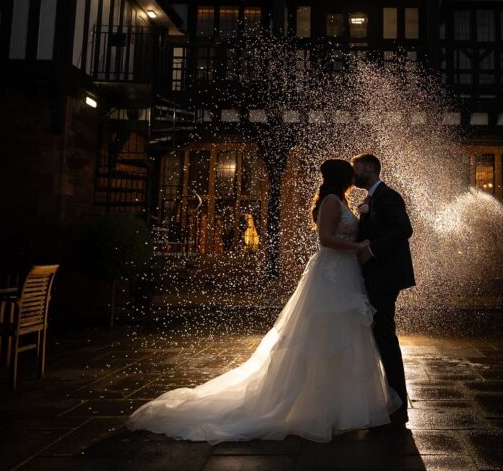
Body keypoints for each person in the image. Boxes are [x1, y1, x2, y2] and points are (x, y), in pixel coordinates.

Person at [127, 159, 402, 444]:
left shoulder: (340, 200)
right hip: (333, 274)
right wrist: (358, 246)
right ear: (344, 176)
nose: (355, 176)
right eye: (351, 173)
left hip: (346, 273)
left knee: (345, 335)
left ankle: (340, 403)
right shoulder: (332, 201)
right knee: (326, 334)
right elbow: (325, 239)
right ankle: (320, 405)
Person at [351, 153, 415, 426]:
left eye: (357, 170)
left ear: (368, 169)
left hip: (385, 277)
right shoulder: (372, 199)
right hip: (377, 276)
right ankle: (389, 395)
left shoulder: (387, 196)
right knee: (380, 333)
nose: (354, 175)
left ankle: (398, 399)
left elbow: (404, 229)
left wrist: (372, 250)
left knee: (385, 334)